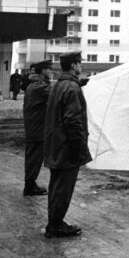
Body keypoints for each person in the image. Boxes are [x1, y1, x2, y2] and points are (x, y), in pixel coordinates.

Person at [43, 50, 91, 238]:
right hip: (67, 147)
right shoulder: (72, 88)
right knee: (63, 187)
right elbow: (73, 121)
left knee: (56, 186)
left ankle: (54, 222)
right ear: (73, 65)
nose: (81, 66)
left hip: (56, 144)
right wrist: (78, 148)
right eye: (79, 63)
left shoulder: (59, 85)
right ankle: (55, 225)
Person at [23, 59, 52, 196]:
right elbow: (58, 92)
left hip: (34, 126)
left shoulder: (34, 85)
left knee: (32, 158)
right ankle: (29, 187)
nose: (51, 72)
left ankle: (30, 184)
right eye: (49, 69)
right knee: (34, 159)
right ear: (43, 70)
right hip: (37, 128)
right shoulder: (39, 86)